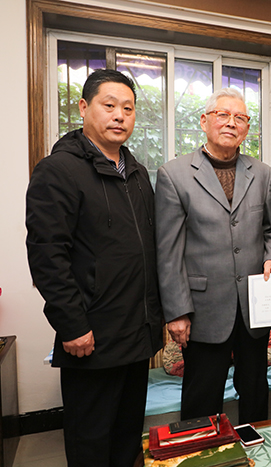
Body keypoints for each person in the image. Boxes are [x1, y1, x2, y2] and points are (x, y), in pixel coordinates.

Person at [26, 69, 163, 467]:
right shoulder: (58, 171)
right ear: (84, 108)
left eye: (128, 109)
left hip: (136, 334)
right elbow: (47, 255)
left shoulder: (137, 173)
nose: (120, 115)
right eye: (110, 105)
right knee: (91, 443)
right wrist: (72, 325)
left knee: (127, 438)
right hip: (91, 337)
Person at [155, 88, 271, 423]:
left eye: (240, 118)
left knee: (255, 393)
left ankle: (254, 448)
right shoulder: (174, 174)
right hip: (203, 309)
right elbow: (168, 250)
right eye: (222, 115)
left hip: (253, 307)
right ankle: (200, 449)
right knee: (202, 397)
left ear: (247, 127)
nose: (231, 123)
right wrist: (177, 312)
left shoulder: (262, 173)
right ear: (204, 121)